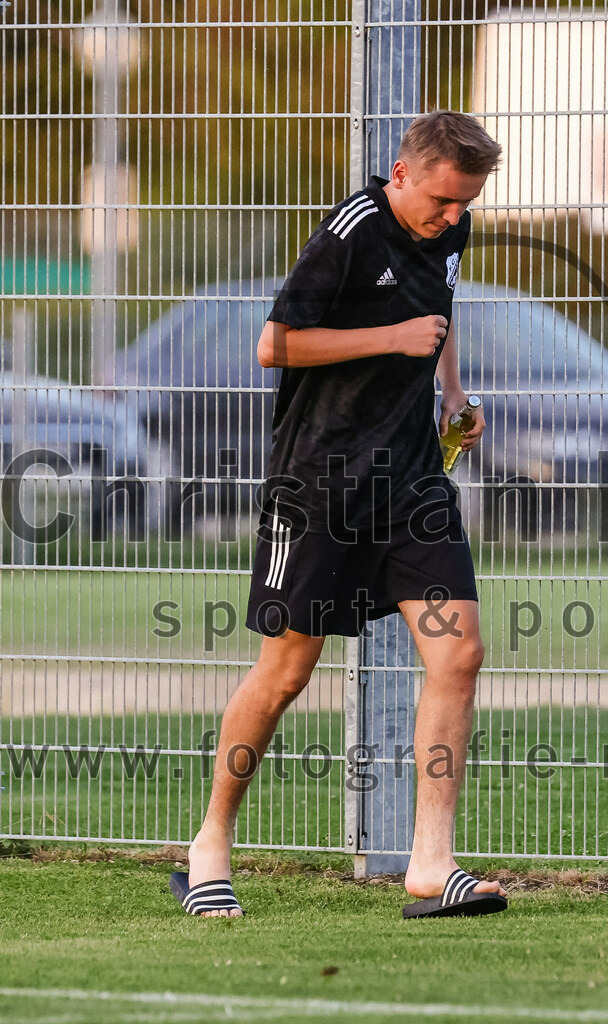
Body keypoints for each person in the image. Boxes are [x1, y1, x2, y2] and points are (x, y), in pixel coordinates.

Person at [168, 110, 507, 920]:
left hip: (413, 482)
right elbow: (275, 344)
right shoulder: (351, 231)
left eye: (465, 204)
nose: (453, 218)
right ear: (401, 173)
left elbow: (441, 308)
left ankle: (431, 864)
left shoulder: (449, 229)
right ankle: (210, 842)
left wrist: (451, 391)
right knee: (287, 670)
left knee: (458, 654)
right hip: (318, 480)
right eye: (441, 201)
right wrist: (391, 338)